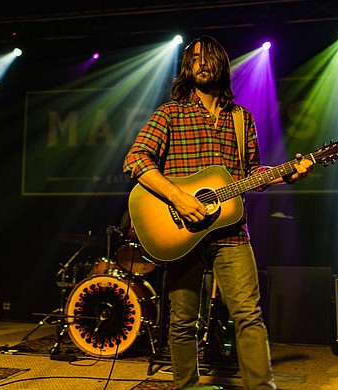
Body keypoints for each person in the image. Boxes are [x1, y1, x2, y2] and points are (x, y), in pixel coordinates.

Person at [123, 36, 312, 389]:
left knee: (248, 315)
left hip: (232, 232)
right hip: (181, 234)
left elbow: (251, 175)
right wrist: (179, 198)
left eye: (208, 56)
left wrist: (286, 174)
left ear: (221, 64)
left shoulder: (242, 119)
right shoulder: (170, 113)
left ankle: (261, 386)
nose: (201, 62)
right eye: (193, 58)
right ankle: (187, 387)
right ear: (186, 67)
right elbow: (135, 160)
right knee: (182, 320)